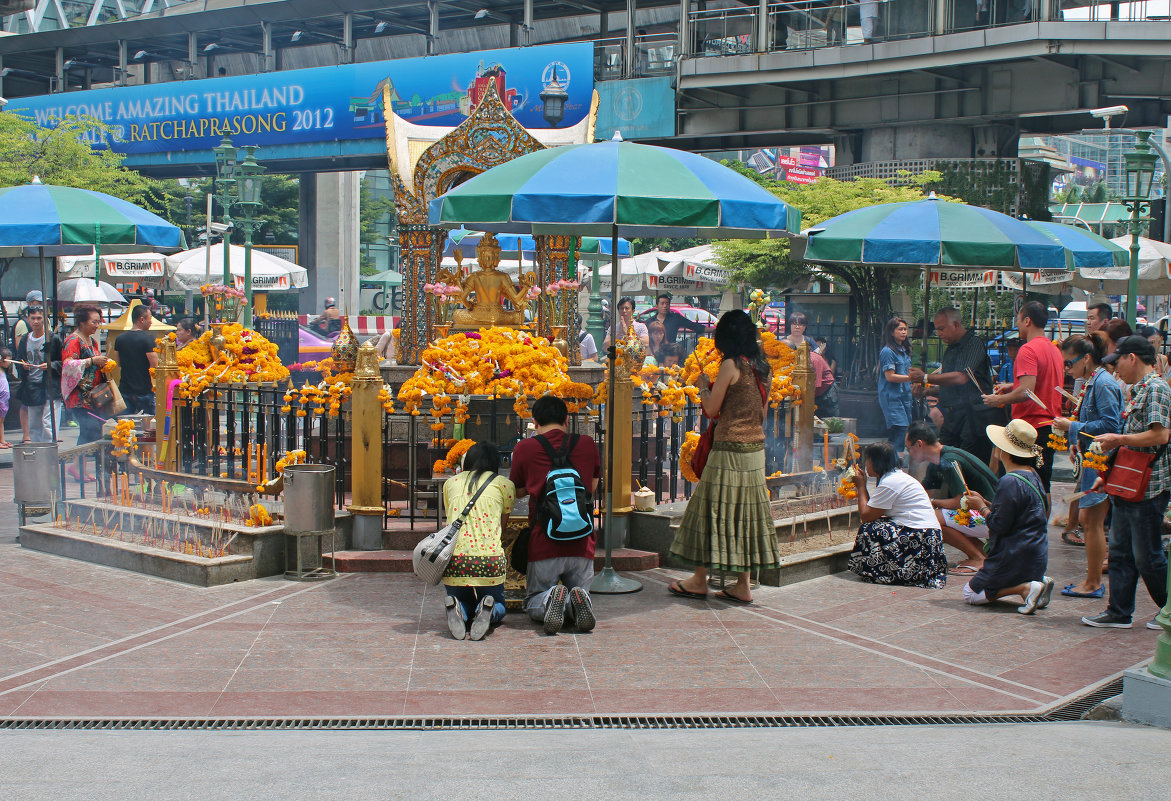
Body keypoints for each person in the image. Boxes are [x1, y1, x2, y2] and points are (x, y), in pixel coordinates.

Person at [668, 310, 779, 604]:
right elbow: (763, 412)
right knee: (745, 513)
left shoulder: (731, 365)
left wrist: (704, 386)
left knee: (710, 509)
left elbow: (712, 409)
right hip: (755, 451)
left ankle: (699, 579)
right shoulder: (763, 368)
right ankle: (742, 585)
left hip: (729, 450)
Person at [1081, 336, 1170, 630]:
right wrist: (1106, 476)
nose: (1116, 368)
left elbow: (1160, 436)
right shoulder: (1139, 389)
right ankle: (1119, 612)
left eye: (1118, 361)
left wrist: (1118, 439)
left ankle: (1168, 611)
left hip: (1149, 487)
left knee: (1148, 556)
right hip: (1127, 484)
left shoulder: (1156, 388)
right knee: (1119, 552)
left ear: (1132, 358)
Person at [509, 395, 601, 635]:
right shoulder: (587, 444)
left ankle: (550, 598)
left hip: (544, 542)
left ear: (534, 421)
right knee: (579, 594)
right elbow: (590, 488)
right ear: (567, 419)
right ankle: (577, 599)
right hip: (583, 541)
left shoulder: (525, 448)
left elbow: (516, 491)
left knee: (533, 600)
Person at [1052, 332, 1121, 598]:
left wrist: (1073, 426)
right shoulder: (1093, 381)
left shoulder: (1103, 383)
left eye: (1069, 363)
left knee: (1091, 522)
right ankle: (1091, 580)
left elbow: (1112, 426)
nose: (1067, 369)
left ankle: (1093, 583)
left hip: (1102, 462)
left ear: (1087, 358)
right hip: (1092, 458)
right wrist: (1075, 438)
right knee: (1089, 521)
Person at [961, 420, 1055, 615]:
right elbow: (1018, 510)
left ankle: (1026, 589)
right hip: (1036, 553)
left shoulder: (1009, 481)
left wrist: (981, 508)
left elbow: (999, 525)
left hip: (1013, 555)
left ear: (1002, 451)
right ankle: (1039, 582)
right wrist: (985, 502)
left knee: (970, 593)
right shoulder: (1033, 474)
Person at [981, 301, 1063, 491]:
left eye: (1018, 320)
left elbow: (1027, 391)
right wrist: (1012, 386)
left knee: (1021, 481)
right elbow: (1042, 383)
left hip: (1029, 429)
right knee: (1043, 483)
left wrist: (997, 400)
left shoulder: (1028, 349)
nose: (1017, 325)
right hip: (1050, 426)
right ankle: (1040, 521)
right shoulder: (1053, 349)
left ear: (1027, 320)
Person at [441, 441, 516, 641]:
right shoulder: (504, 485)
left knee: (462, 598)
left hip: (454, 559)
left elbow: (451, 517)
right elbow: (502, 525)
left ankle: (458, 609)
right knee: (499, 603)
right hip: (489, 559)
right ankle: (489, 609)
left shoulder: (450, 483)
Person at [905, 420, 1000, 578]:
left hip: (992, 516)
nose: (909, 453)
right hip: (986, 515)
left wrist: (933, 502)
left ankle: (978, 558)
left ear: (920, 444)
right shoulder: (938, 459)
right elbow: (925, 490)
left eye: (909, 448)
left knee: (931, 517)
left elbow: (960, 501)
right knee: (937, 515)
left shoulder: (948, 460)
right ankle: (982, 555)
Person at [848, 441, 947, 588]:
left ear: (876, 462)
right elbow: (873, 507)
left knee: (869, 529)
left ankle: (885, 571)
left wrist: (861, 486)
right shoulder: (894, 477)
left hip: (920, 537)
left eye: (867, 461)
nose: (865, 465)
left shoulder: (891, 482)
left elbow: (866, 515)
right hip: (926, 536)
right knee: (877, 525)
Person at [911, 307, 1002, 465]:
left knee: (967, 466)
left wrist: (925, 376)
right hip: (953, 419)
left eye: (941, 329)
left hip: (974, 418)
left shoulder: (974, 343)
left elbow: (961, 377)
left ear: (956, 325)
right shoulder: (950, 350)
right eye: (937, 329)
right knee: (946, 463)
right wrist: (927, 391)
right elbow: (951, 386)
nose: (938, 334)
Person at [61, 304, 110, 480]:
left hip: (94, 396)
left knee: (89, 431)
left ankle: (78, 467)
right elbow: (68, 365)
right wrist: (91, 361)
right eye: (94, 322)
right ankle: (77, 467)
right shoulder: (73, 340)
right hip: (79, 397)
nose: (97, 325)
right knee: (90, 429)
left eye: (98, 322)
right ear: (82, 322)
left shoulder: (93, 341)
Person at [14, 307, 63, 444]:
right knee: (34, 425)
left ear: (44, 319)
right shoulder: (25, 339)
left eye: (39, 318)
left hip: (50, 387)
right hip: (32, 386)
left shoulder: (53, 339)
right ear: (28, 319)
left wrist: (50, 365)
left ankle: (49, 454)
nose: (36, 321)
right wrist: (22, 365)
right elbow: (18, 359)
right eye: (33, 318)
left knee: (49, 424)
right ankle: (38, 455)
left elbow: (64, 362)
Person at [113, 305, 160, 416]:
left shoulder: (119, 339)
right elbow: (155, 365)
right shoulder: (148, 339)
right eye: (150, 318)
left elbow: (117, 362)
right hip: (143, 390)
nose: (151, 322)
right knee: (147, 425)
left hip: (125, 389)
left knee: (125, 424)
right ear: (142, 319)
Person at [878, 317, 914, 454]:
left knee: (902, 430)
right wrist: (912, 378)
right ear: (892, 332)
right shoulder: (888, 351)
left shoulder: (903, 350)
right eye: (900, 329)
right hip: (892, 397)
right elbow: (890, 376)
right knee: (900, 428)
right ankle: (894, 462)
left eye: (905, 329)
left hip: (904, 395)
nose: (904, 332)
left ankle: (890, 460)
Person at [810, 347, 838, 418]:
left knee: (829, 421)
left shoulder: (813, 359)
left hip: (827, 393)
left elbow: (816, 384)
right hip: (815, 393)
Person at [0, 349, 11, 448]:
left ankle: (2, 440)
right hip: (1, 399)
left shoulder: (4, 370)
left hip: (4, 400)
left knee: (1, 421)